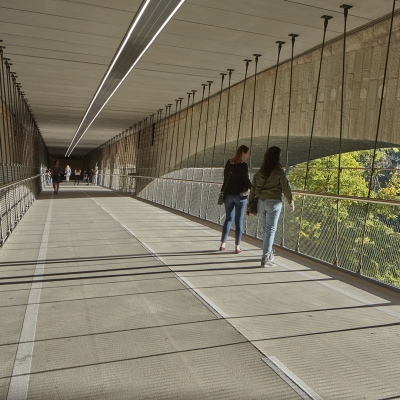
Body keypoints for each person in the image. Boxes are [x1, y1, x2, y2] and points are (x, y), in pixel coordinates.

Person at [247, 146, 295, 267]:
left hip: (260, 203)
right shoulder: (279, 172)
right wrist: (291, 202)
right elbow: (286, 188)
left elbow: (252, 191)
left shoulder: (260, 172)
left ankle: (268, 254)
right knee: (270, 230)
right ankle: (266, 258)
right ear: (277, 157)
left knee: (266, 230)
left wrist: (248, 205)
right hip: (274, 203)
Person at [220, 145, 252, 254]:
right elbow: (245, 179)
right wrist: (253, 188)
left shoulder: (229, 162)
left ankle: (222, 244)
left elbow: (225, 177)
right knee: (238, 221)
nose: (248, 155)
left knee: (228, 219)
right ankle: (237, 247)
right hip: (240, 195)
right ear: (244, 153)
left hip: (228, 194)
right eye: (247, 153)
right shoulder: (243, 165)